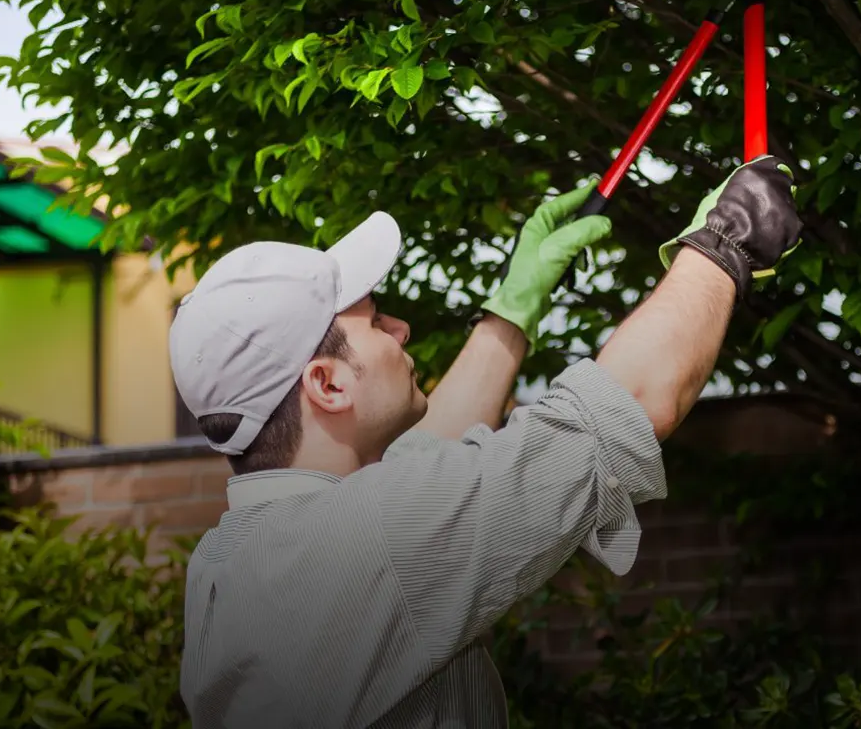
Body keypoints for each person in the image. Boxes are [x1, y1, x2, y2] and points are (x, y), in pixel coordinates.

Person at [170, 156, 803, 728]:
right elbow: (626, 406)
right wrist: (724, 241)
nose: (400, 327)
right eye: (373, 320)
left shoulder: (235, 558)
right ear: (327, 383)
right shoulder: (370, 537)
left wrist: (514, 305)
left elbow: (431, 464)